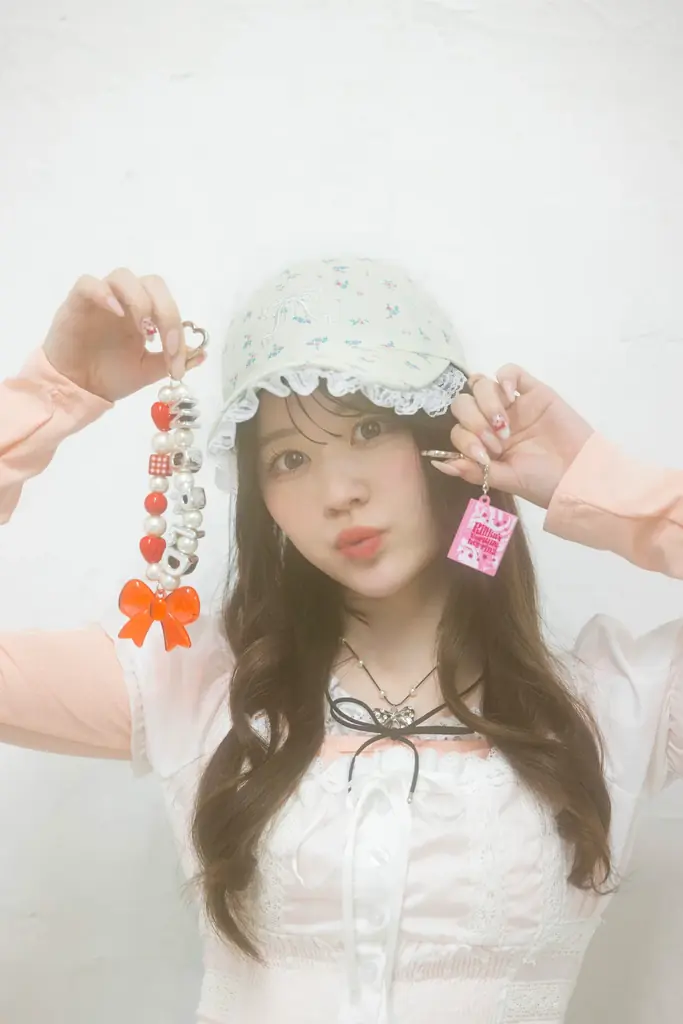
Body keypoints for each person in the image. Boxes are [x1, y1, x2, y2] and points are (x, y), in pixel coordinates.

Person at [0, 255, 681, 1024]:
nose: (337, 492)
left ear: (442, 435)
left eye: (368, 428)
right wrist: (55, 390)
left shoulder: (616, 704)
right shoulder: (197, 687)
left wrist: (594, 484)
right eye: (289, 459)